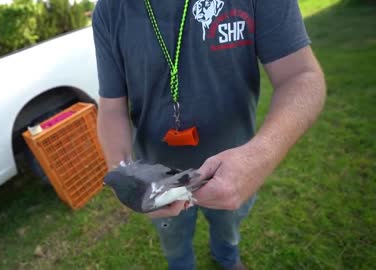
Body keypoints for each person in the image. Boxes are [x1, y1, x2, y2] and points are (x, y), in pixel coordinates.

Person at [92, 0, 326, 269]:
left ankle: (227, 258)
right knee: (174, 239)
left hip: (236, 169)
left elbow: (302, 75)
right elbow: (111, 107)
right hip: (155, 182)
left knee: (229, 228)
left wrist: (261, 156)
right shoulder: (109, 10)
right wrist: (123, 174)